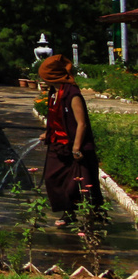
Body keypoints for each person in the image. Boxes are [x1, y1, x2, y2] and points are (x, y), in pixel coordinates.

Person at [38, 54, 104, 227]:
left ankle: (92, 217)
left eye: (44, 76)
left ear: (52, 76)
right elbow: (55, 116)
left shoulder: (72, 94)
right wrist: (48, 132)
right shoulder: (54, 92)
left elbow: (81, 123)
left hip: (76, 146)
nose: (42, 79)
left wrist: (76, 148)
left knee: (80, 184)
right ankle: (68, 213)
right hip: (57, 144)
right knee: (52, 178)